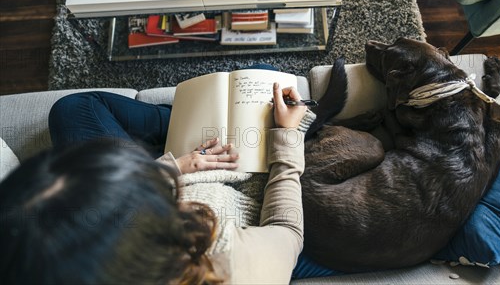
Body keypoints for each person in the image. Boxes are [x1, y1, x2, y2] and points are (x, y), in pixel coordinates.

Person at [0, 82, 313, 284]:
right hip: (251, 212)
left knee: (74, 110)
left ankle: (182, 124)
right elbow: (287, 231)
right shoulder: (230, 266)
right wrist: (287, 135)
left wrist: (175, 165)